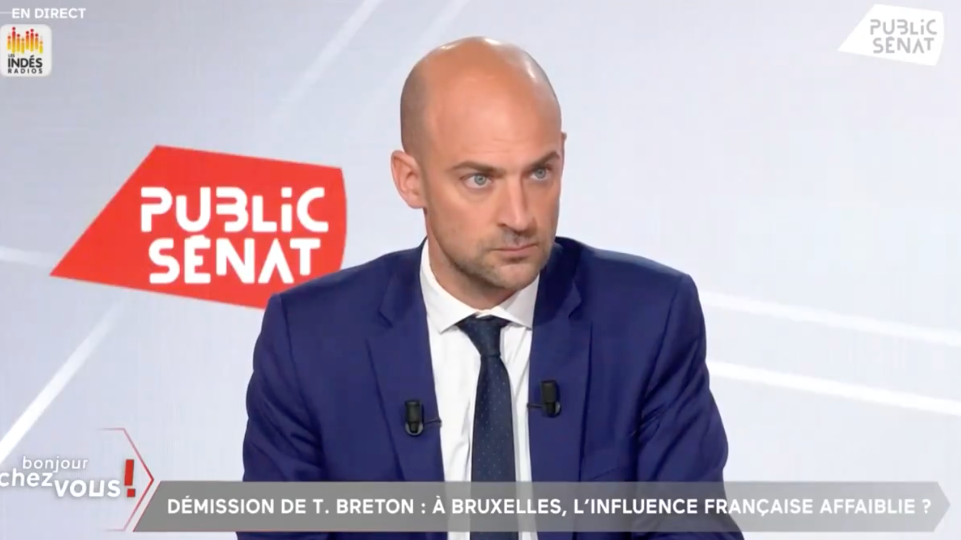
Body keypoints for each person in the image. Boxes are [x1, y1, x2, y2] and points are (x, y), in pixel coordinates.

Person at [240, 37, 741, 540]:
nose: (520, 217)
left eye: (540, 172)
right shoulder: (309, 342)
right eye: (480, 180)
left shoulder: (649, 321)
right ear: (411, 180)